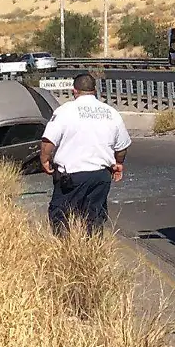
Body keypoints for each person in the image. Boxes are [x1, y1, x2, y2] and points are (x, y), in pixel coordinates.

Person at [39, 73, 132, 236]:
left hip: (72, 176)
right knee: (94, 217)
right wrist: (118, 163)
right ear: (94, 90)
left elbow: (48, 141)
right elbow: (122, 146)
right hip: (101, 176)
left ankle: (67, 251)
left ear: (74, 90)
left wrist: (45, 160)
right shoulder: (110, 112)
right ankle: (92, 251)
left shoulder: (65, 111)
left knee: (60, 216)